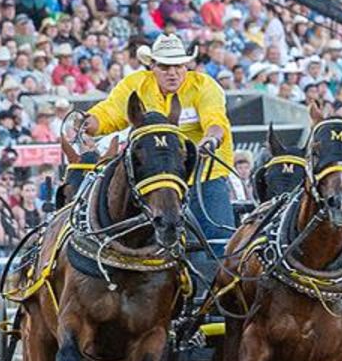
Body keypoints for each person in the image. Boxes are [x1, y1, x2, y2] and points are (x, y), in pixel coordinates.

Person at [82, 33, 235, 300]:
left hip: (205, 176)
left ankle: (217, 302)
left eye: (178, 66)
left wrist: (211, 139)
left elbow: (215, 119)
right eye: (165, 67)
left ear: (187, 66)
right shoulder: (135, 86)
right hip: (154, 182)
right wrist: (88, 123)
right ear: (152, 66)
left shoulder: (205, 86)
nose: (173, 73)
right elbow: (110, 113)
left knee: (218, 246)